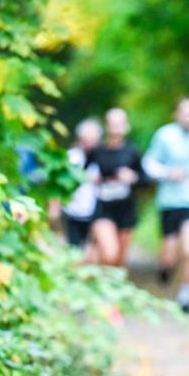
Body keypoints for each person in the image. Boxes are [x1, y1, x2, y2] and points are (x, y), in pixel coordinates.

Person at [143, 98, 189, 313]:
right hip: (170, 201)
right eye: (185, 112)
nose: (188, 117)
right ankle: (165, 268)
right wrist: (167, 172)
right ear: (176, 114)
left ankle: (186, 292)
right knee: (170, 255)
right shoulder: (164, 135)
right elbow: (149, 163)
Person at [88, 108, 147, 267]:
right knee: (110, 253)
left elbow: (145, 180)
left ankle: (102, 276)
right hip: (103, 208)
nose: (116, 127)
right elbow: (81, 173)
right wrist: (92, 178)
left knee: (118, 262)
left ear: (126, 126)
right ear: (106, 126)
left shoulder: (132, 151)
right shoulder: (97, 151)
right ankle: (93, 259)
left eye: (119, 123)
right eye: (112, 123)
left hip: (125, 210)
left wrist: (133, 177)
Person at [62, 118, 103, 250]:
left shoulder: (101, 157)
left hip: (95, 210)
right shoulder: (70, 158)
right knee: (74, 247)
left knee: (91, 249)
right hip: (72, 209)